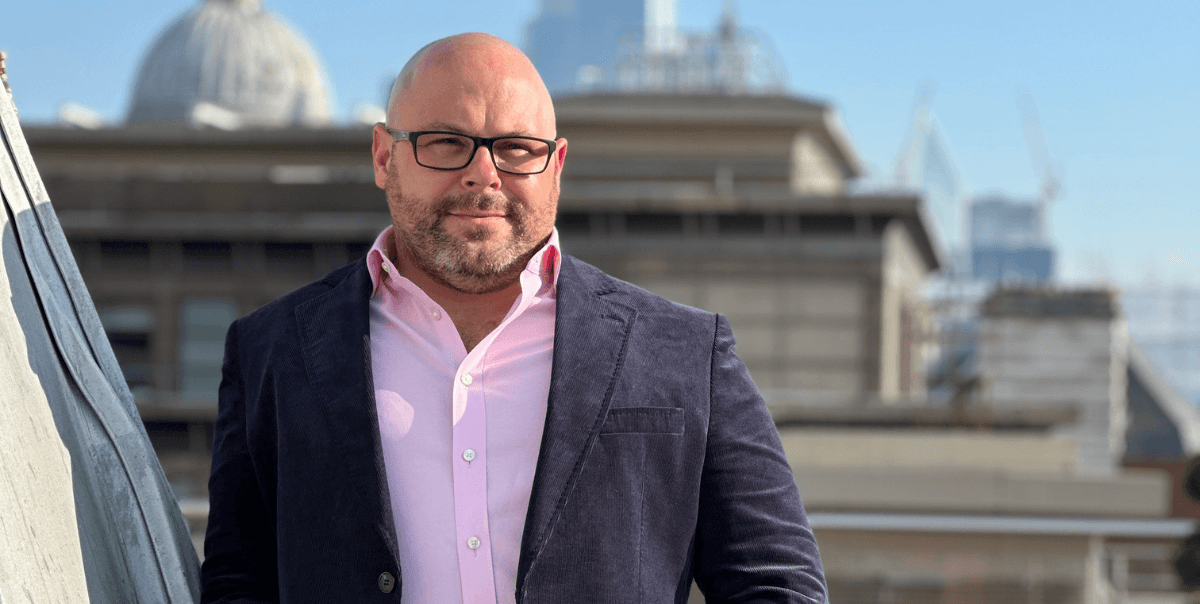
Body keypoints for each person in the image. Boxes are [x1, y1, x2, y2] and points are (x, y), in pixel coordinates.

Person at [201, 33, 826, 604]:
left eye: (516, 149)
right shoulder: (272, 351)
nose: (483, 173)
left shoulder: (686, 354)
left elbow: (776, 586)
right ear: (385, 157)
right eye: (446, 143)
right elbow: (238, 583)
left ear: (555, 167)